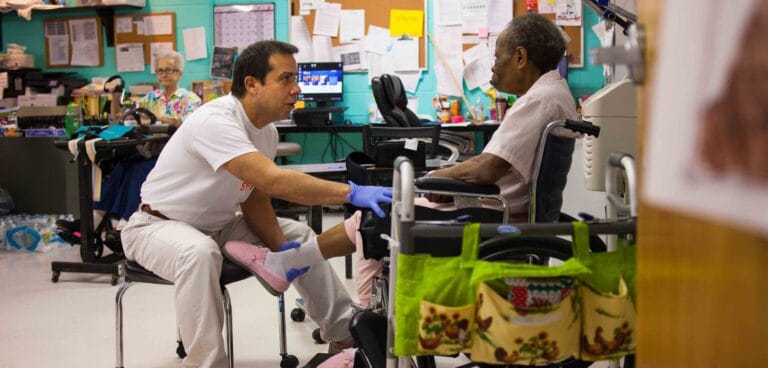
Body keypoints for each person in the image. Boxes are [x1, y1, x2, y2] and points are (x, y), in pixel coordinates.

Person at [228, 13, 579, 311]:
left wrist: (434, 178)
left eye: (498, 55)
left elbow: (487, 168)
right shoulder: (553, 94)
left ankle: (355, 316)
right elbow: (493, 166)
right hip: (500, 207)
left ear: (520, 57)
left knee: (373, 216)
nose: (492, 64)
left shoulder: (538, 101)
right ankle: (349, 310)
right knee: (373, 213)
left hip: (493, 214)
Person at [120, 40, 391, 367]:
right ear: (252, 84)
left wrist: (281, 251)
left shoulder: (266, 132)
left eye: (296, 78)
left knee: (299, 238)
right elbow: (273, 180)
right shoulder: (216, 121)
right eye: (286, 79)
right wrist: (350, 193)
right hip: (156, 226)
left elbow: (255, 197)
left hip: (218, 227)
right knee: (198, 253)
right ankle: (207, 363)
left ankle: (347, 334)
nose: (297, 88)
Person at [110, 50, 201, 128]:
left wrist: (155, 117)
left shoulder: (190, 98)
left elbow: (188, 124)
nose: (164, 75)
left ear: (179, 74)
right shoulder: (152, 97)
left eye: (169, 70)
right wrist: (115, 98)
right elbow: (119, 118)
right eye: (160, 71)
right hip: (151, 147)